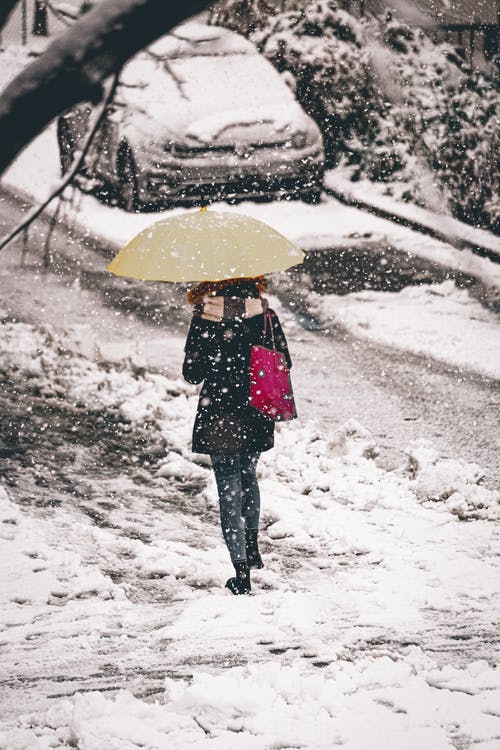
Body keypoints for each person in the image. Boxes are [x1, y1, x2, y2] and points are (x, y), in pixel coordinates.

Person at [182, 276, 292, 595]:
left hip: (219, 410)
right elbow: (284, 362)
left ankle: (241, 572)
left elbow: (192, 374)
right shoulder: (265, 315)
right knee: (248, 476)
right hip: (256, 408)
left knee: (228, 484)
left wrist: (212, 348)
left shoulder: (205, 315)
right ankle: (252, 544)